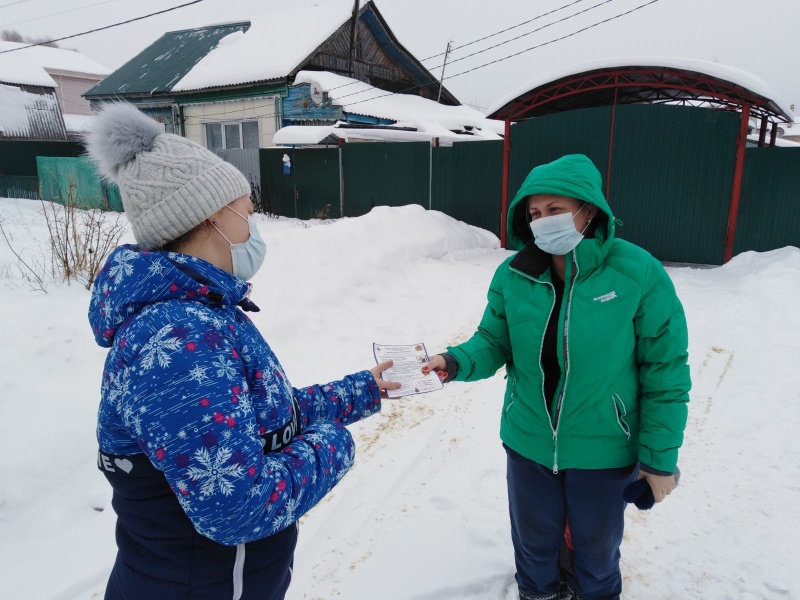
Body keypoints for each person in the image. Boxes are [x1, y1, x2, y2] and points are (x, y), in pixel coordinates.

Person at [86, 102, 400, 600]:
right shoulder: (178, 338)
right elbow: (237, 508)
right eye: (248, 213)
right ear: (212, 218)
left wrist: (361, 390)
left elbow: (256, 418)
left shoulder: (201, 310)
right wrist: (335, 444)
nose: (254, 226)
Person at [423, 154, 690, 600]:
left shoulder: (637, 273)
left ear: (589, 210)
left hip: (605, 447)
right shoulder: (516, 274)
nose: (543, 222)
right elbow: (494, 341)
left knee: (596, 549)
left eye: (555, 210)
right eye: (534, 214)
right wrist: (453, 362)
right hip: (529, 440)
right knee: (533, 544)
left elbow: (665, 371)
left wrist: (659, 458)